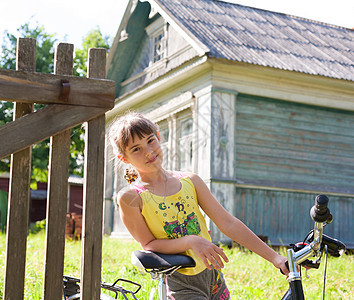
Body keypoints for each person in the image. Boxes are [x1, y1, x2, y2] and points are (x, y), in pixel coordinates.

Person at [109, 112, 289, 300]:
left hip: (213, 276)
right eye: (136, 149)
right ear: (124, 158)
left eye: (150, 140)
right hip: (179, 280)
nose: (148, 151)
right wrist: (190, 241)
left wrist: (276, 258)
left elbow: (228, 223)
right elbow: (149, 244)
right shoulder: (131, 198)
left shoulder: (190, 181)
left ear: (159, 136)